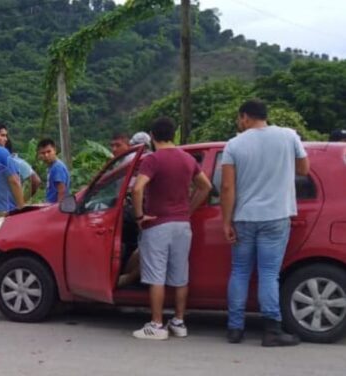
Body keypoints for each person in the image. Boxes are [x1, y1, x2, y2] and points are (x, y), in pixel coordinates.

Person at [221, 99, 309, 347]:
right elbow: (304, 169)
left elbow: (227, 187)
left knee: (239, 271)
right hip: (276, 216)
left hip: (244, 218)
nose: (240, 124)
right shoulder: (288, 136)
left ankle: (235, 329)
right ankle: (271, 330)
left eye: (240, 119)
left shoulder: (234, 145)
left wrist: (226, 222)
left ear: (246, 117)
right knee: (268, 274)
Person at [131, 117, 212, 340]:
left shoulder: (152, 160)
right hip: (182, 225)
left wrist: (139, 216)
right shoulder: (187, 159)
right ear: (173, 135)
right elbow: (205, 186)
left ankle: (157, 325)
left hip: (158, 224)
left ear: (152, 136)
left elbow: (137, 189)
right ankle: (179, 321)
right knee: (180, 275)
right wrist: (189, 210)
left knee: (156, 275)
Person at [37, 138, 70, 204]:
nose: (46, 155)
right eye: (43, 153)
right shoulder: (51, 167)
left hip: (55, 208)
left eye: (49, 152)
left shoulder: (57, 167)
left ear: (55, 150)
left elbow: (61, 191)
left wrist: (57, 210)